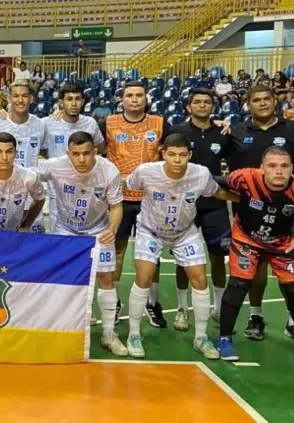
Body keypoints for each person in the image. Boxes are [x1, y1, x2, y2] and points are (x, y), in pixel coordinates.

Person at [123, 133, 237, 359]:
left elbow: (218, 192)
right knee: (143, 278)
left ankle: (201, 337)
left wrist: (250, 199)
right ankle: (133, 334)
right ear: (163, 154)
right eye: (172, 155)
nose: (177, 160)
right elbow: (126, 184)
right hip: (150, 231)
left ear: (190, 155)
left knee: (200, 279)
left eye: (183, 155)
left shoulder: (201, 173)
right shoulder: (146, 171)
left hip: (184, 233)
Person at [217, 147, 294, 367]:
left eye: (284, 166)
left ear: (292, 169)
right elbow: (214, 181)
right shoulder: (245, 178)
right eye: (272, 166)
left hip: (282, 242)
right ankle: (224, 339)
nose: (279, 171)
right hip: (246, 239)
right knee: (239, 285)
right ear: (262, 168)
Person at [226, 85, 294, 340]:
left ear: (273, 101)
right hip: (250, 214)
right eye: (256, 100)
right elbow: (224, 171)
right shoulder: (236, 132)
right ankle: (256, 316)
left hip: (289, 211)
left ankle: (293, 320)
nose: (262, 103)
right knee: (254, 270)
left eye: (267, 98)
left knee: (288, 266)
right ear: (249, 104)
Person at [33, 131, 128, 356]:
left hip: (99, 230)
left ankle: (108, 333)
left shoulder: (108, 170)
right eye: (76, 154)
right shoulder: (55, 166)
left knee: (106, 278)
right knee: (62, 279)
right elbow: (24, 174)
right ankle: (62, 330)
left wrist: (112, 229)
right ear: (68, 154)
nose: (82, 159)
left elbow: (116, 206)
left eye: (86, 153)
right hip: (66, 230)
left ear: (95, 151)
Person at [100, 80, 170, 327]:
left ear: (146, 98)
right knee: (116, 251)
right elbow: (92, 147)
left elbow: (176, 148)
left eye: (139, 95)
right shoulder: (108, 123)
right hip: (118, 200)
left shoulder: (160, 123)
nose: (134, 99)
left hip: (151, 200)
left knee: (153, 254)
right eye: (129, 95)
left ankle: (153, 302)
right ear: (122, 99)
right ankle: (115, 301)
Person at [169, 88, 232, 330]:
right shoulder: (177, 131)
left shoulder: (223, 132)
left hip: (215, 203)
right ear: (188, 107)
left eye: (207, 102)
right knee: (184, 258)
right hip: (184, 204)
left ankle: (218, 308)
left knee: (218, 256)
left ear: (213, 106)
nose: (202, 105)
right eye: (197, 102)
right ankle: (182, 309)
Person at [0, 80, 47, 232]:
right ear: (8, 98)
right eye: (16, 96)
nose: (20, 100)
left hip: (30, 195)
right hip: (1, 195)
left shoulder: (41, 124)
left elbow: (46, 152)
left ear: (31, 99)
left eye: (25, 96)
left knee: (31, 246)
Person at [42, 81, 106, 231]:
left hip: (87, 190)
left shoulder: (90, 123)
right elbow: (41, 149)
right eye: (69, 99)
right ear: (61, 102)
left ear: (83, 102)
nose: (74, 103)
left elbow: (101, 148)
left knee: (87, 236)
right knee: (59, 239)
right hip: (58, 192)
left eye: (77, 99)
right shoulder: (47, 123)